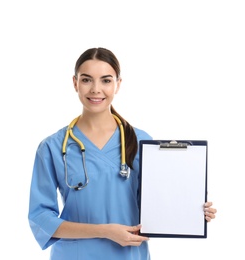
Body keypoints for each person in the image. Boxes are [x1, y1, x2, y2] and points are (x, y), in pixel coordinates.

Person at [28, 47, 217, 259]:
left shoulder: (141, 141)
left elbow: (157, 203)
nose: (96, 89)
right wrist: (104, 231)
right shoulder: (53, 147)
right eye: (87, 80)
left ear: (118, 84)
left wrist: (192, 210)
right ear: (75, 83)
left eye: (106, 80)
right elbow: (41, 217)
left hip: (129, 254)